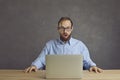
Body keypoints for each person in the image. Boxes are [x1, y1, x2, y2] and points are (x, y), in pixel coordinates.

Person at [24, 17, 103, 73]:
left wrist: (92, 66)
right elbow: (41, 60)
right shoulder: (50, 45)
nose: (65, 31)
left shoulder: (80, 45)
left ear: (72, 28)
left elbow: (87, 61)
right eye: (62, 28)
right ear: (58, 29)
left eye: (68, 28)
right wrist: (34, 66)